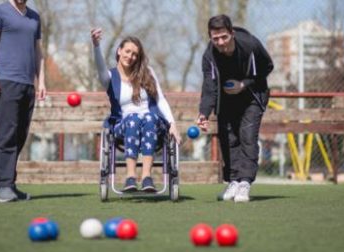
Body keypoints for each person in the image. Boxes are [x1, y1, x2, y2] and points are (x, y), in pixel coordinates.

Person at [91, 28, 181, 192]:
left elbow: (160, 99)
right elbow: (100, 67)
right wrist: (96, 45)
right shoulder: (110, 77)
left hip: (152, 124)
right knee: (133, 118)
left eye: (134, 54)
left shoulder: (147, 73)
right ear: (119, 51)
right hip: (123, 125)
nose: (130, 57)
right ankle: (130, 177)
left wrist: (172, 123)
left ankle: (147, 177)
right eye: (127, 51)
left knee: (148, 118)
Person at [196, 14, 273, 203]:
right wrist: (204, 113)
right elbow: (209, 86)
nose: (220, 42)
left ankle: (245, 183)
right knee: (228, 139)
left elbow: (267, 67)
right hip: (228, 100)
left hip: (252, 96)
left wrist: (243, 84)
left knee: (247, 136)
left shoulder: (250, 45)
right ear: (210, 37)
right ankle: (234, 181)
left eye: (224, 37)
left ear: (232, 33)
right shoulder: (209, 56)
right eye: (215, 39)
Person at [0, 0, 47, 202]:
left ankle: (10, 184)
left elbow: (38, 51)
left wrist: (41, 81)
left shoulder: (34, 17)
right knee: (6, 134)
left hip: (28, 84)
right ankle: (3, 187)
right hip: (6, 82)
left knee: (19, 136)